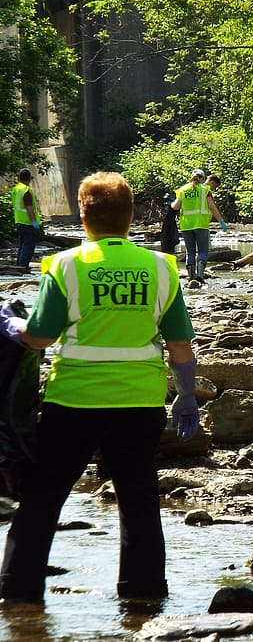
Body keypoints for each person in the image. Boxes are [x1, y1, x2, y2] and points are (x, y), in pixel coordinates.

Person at [0, 171, 199, 604]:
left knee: (44, 498)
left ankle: (19, 595)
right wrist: (187, 395)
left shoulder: (65, 266)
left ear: (84, 215)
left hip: (73, 401)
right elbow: (180, 343)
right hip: (139, 403)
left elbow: (38, 338)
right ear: (129, 217)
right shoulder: (159, 266)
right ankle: (143, 596)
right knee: (139, 498)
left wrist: (7, 323)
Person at [171, 168, 227, 288]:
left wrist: (170, 204)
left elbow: (175, 207)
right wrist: (221, 221)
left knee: (190, 252)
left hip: (186, 225)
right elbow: (212, 207)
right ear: (202, 178)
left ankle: (191, 277)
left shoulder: (183, 189)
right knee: (202, 251)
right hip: (201, 224)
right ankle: (200, 276)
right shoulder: (205, 190)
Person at [11, 169, 41, 271]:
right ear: (29, 179)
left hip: (18, 220)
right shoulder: (26, 190)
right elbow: (29, 207)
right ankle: (23, 266)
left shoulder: (16, 189)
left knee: (22, 244)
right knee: (28, 245)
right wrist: (34, 221)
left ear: (19, 178)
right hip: (27, 222)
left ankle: (19, 265)